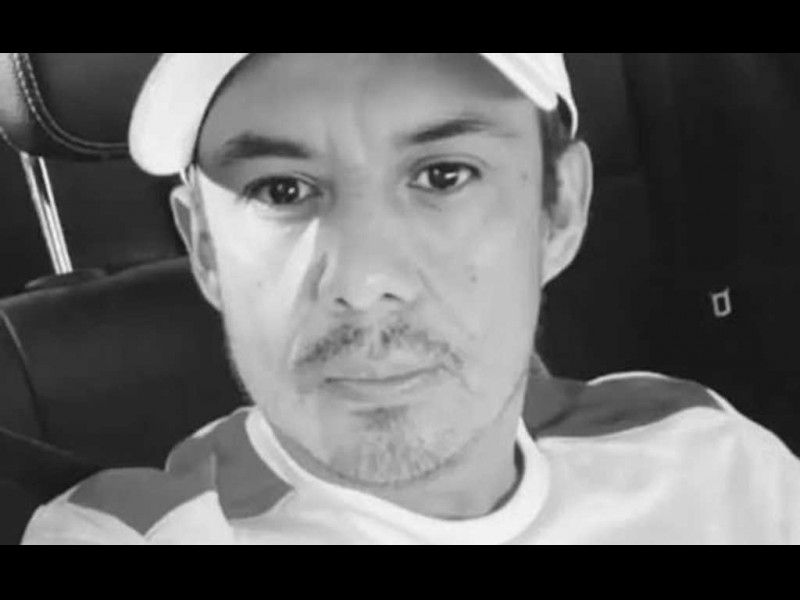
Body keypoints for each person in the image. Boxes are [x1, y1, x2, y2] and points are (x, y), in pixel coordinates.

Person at [23, 53, 800, 544]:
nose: (363, 284)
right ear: (204, 249)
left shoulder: (712, 459)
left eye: (443, 176)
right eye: (281, 189)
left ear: (560, 209)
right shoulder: (131, 533)